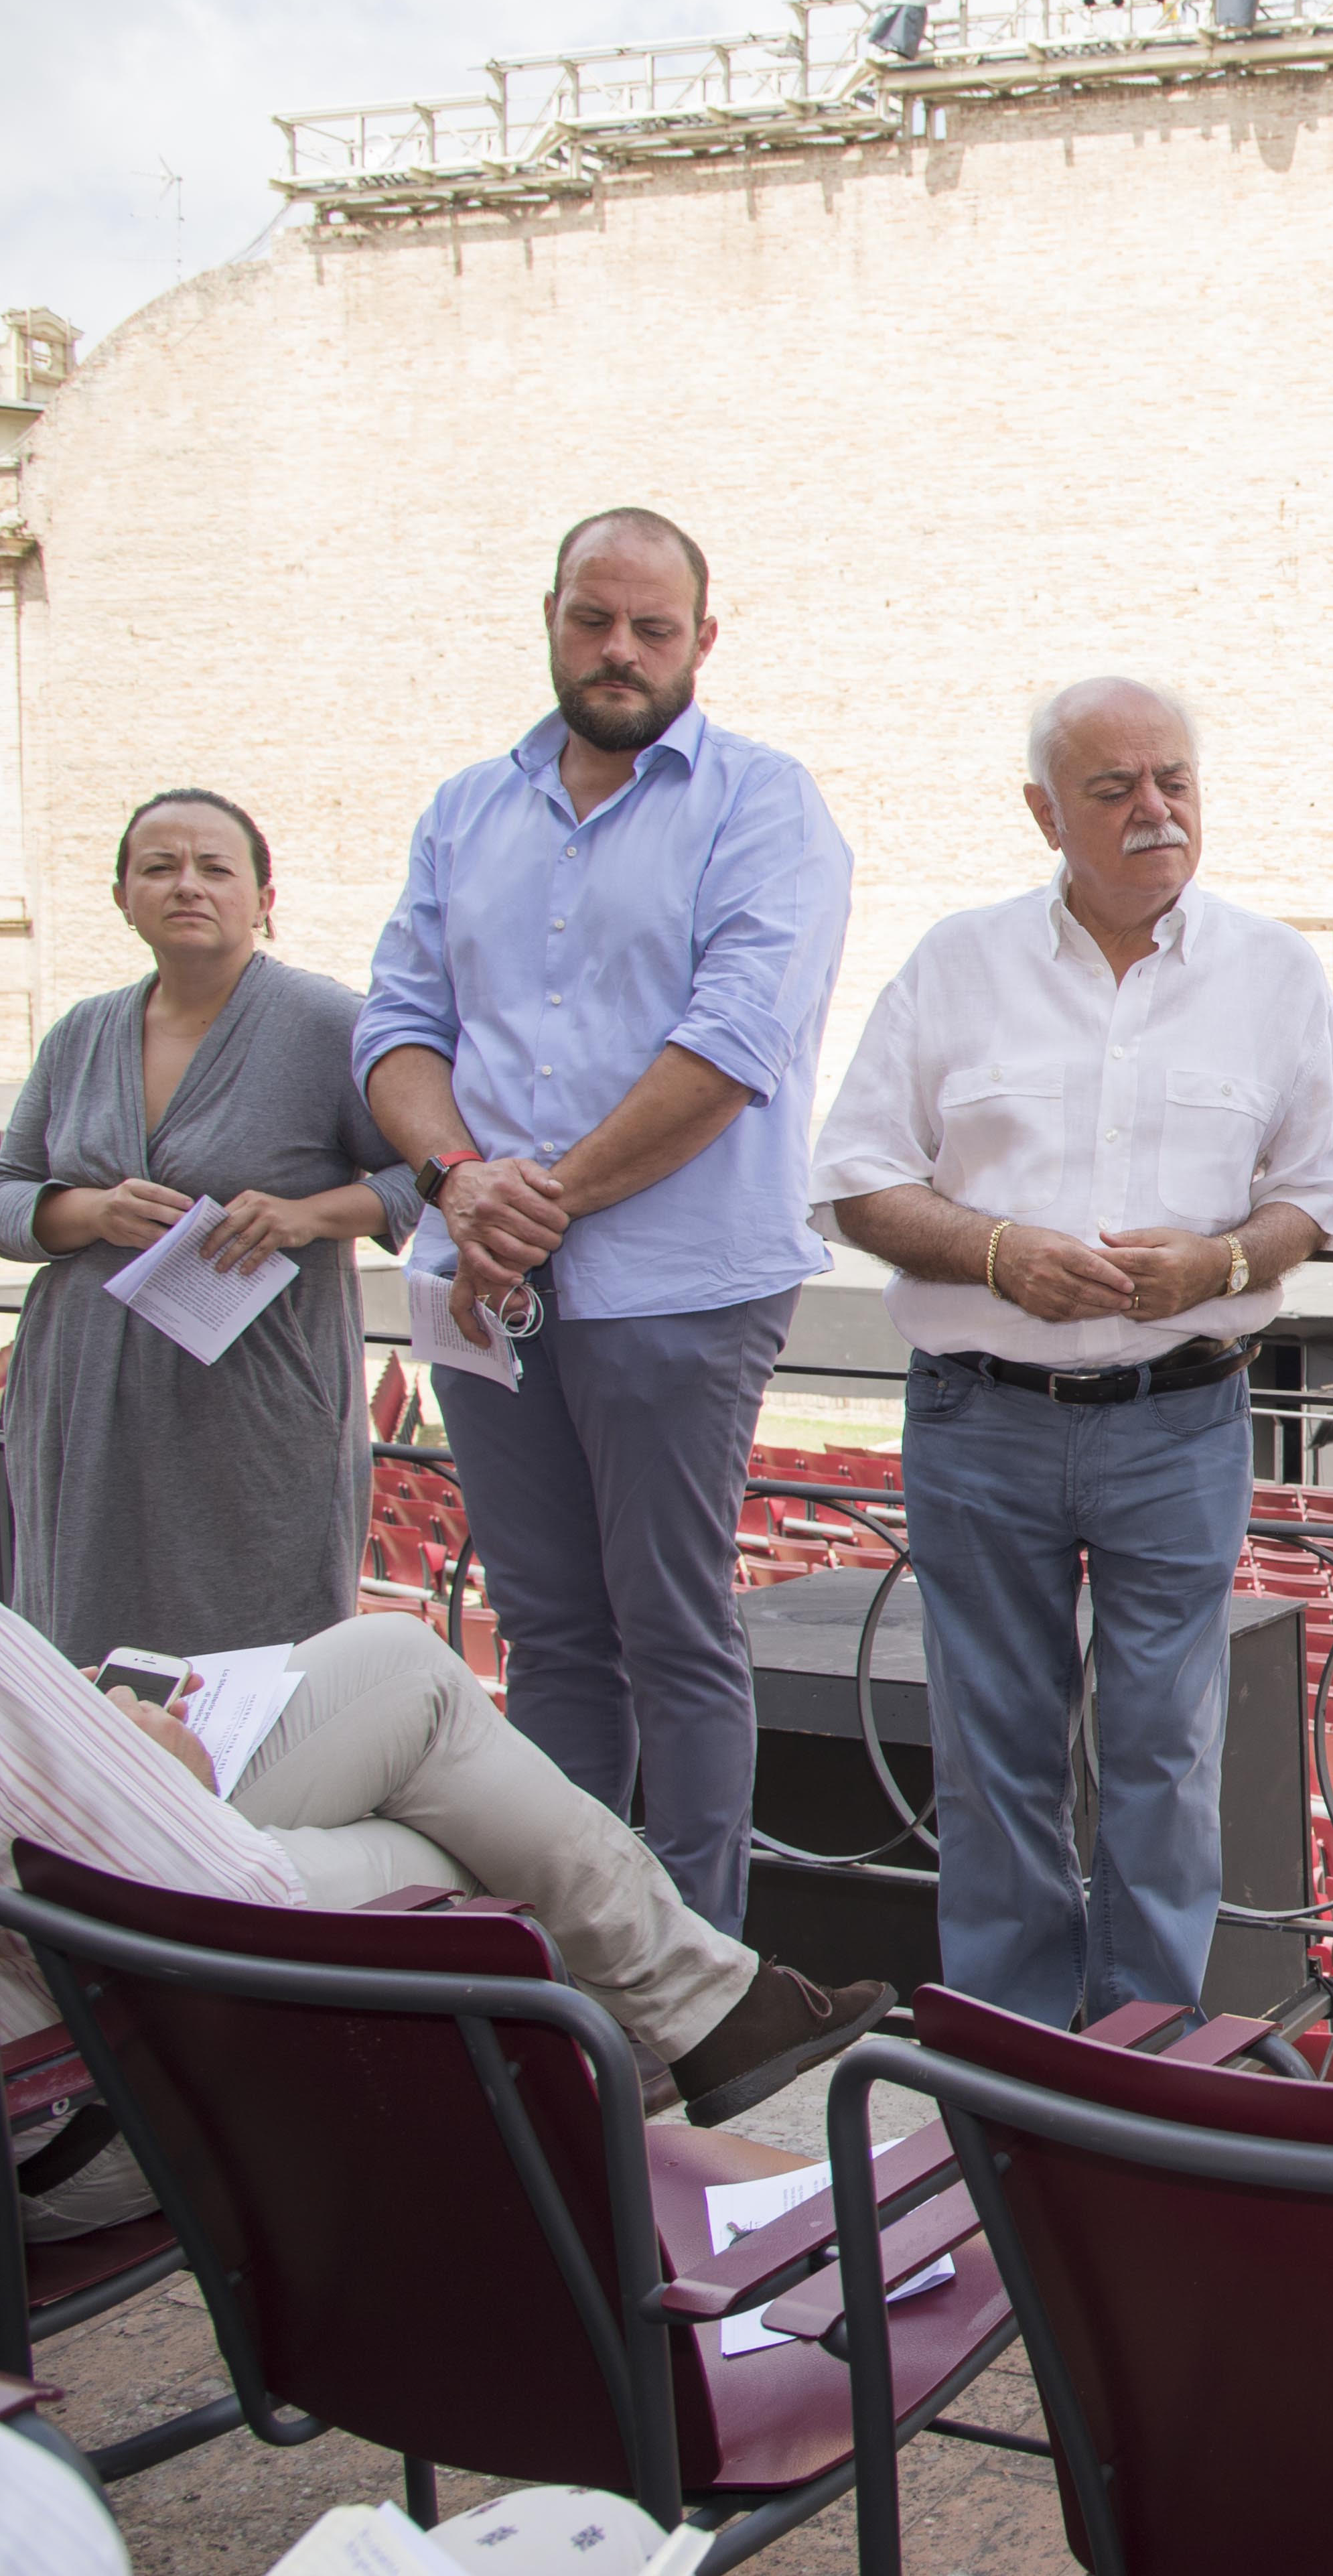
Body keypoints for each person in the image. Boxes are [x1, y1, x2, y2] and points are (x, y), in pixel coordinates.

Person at [812, 678, 1333, 2028]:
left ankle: (1143, 2055)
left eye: (1174, 779)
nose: (1154, 810)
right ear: (1045, 811)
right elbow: (856, 1183)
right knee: (996, 1763)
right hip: (979, 1419)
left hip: (1181, 1422)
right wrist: (997, 1252)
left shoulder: (1276, 973)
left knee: (1164, 1759)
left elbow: (1315, 1200)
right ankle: (1014, 2063)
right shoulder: (956, 963)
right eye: (1114, 790)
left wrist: (1219, 1264)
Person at [357, 509, 853, 1937]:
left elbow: (734, 1041)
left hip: (675, 1284)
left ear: (704, 638)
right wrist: (460, 1175)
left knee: (673, 1631)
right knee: (552, 1634)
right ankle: (568, 1950)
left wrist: (539, 1195)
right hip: (483, 1281)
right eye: (594, 619)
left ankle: (690, 1968)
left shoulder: (764, 802)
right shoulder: (465, 808)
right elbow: (397, 1025)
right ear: (553, 620)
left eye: (652, 626)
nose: (620, 649)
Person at [0, 1600, 885, 2244]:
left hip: (68, 2024)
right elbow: (233, 1919)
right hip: (88, 2118)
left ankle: (700, 2008)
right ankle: (684, 2015)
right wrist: (167, 1783)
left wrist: (73, 1722)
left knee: (400, 1664)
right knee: (453, 1856)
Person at [0, 793, 417, 1661]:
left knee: (259, 1654)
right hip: (82, 1405)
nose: (188, 885)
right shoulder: (80, 1034)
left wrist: (308, 1216)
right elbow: (4, 1194)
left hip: (249, 1410)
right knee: (83, 1655)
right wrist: (88, 1211)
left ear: (263, 898)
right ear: (122, 897)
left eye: (216, 868)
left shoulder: (327, 1023)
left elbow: (432, 1173)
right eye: (159, 867)